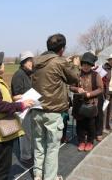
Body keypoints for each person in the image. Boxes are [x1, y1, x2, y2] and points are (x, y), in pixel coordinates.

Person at [0, 50, 34, 180]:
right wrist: (21, 105)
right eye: (1, 62)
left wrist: (15, 101)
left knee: (2, 164)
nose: (3, 64)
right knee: (3, 167)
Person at [31, 33, 80, 180]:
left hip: (37, 109)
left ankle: (38, 174)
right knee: (52, 148)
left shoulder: (35, 62)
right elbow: (75, 78)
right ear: (62, 49)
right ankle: (50, 177)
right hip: (53, 111)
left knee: (39, 145)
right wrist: (75, 65)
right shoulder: (60, 62)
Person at [70, 52, 103, 151]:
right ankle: (81, 141)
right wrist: (77, 89)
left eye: (88, 64)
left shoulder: (96, 75)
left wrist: (90, 94)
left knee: (90, 124)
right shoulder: (77, 74)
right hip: (78, 104)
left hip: (91, 104)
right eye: (84, 64)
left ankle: (89, 141)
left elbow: (100, 88)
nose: (85, 66)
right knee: (79, 124)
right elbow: (70, 86)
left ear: (92, 65)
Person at [11, 50, 34, 165]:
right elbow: (15, 96)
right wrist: (27, 97)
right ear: (23, 62)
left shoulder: (29, 74)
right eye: (29, 60)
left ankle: (29, 152)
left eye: (32, 60)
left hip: (31, 107)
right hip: (23, 109)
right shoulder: (18, 75)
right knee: (25, 133)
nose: (31, 63)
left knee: (30, 132)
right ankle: (25, 156)